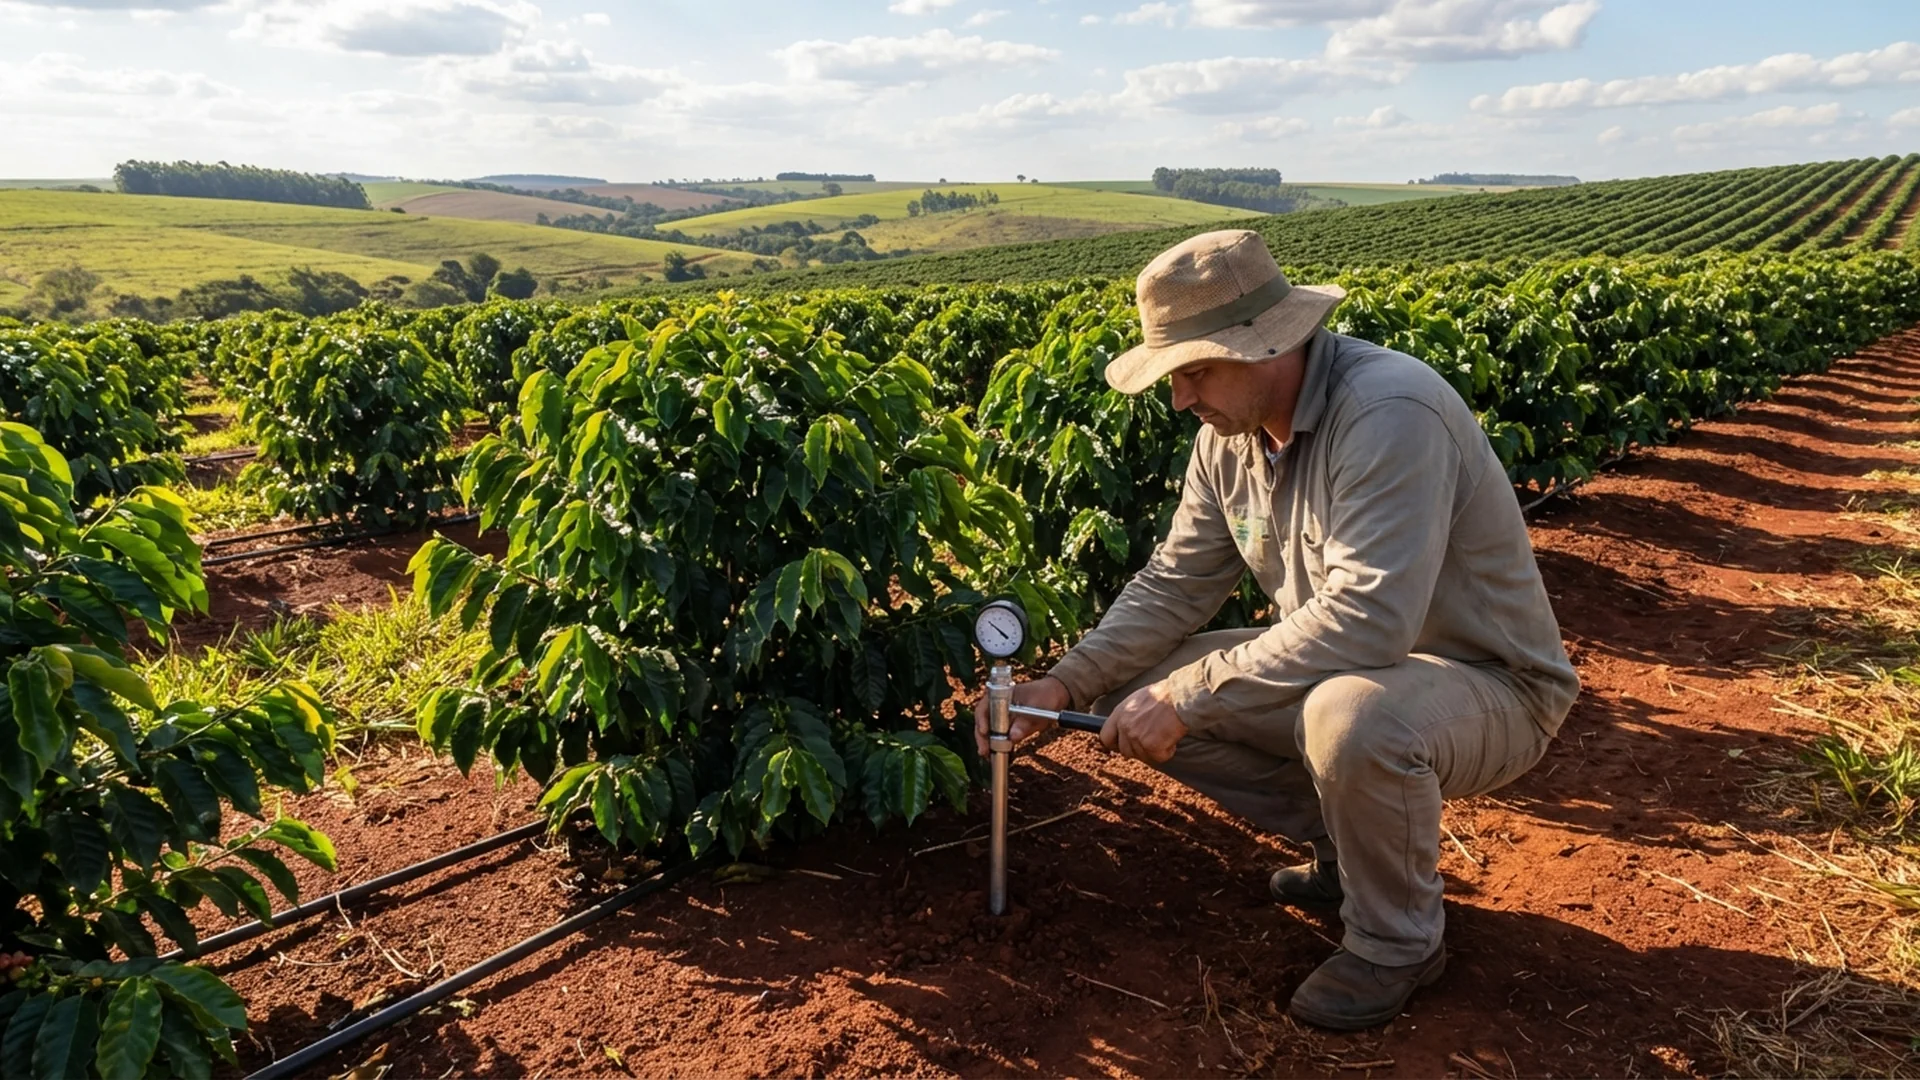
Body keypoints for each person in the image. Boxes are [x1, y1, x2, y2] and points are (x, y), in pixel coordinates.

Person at [973, 229, 1579, 1030]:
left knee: (1350, 716)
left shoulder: (1388, 411)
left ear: (1267, 346)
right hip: (1351, 665)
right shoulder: (1228, 440)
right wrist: (1065, 682)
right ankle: (1351, 856)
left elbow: (1369, 618)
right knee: (1132, 688)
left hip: (1485, 683)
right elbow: (1175, 582)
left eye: (1194, 370)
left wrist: (1191, 696)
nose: (1182, 397)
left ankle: (1397, 944)